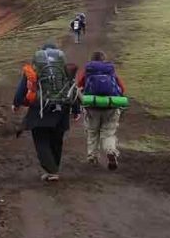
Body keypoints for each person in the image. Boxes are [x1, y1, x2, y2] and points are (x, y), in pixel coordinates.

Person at [13, 42, 81, 182]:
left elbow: (22, 88)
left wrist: (16, 103)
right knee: (57, 140)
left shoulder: (35, 68)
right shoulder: (64, 69)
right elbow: (72, 89)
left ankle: (51, 171)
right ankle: (54, 168)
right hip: (61, 109)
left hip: (40, 110)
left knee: (41, 140)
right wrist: (76, 110)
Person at [77, 50, 126, 170]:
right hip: (110, 106)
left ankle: (92, 156)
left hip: (92, 107)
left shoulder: (88, 71)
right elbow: (122, 89)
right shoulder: (110, 71)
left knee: (92, 131)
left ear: (91, 60)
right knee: (108, 133)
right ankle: (110, 150)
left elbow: (79, 85)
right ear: (104, 59)